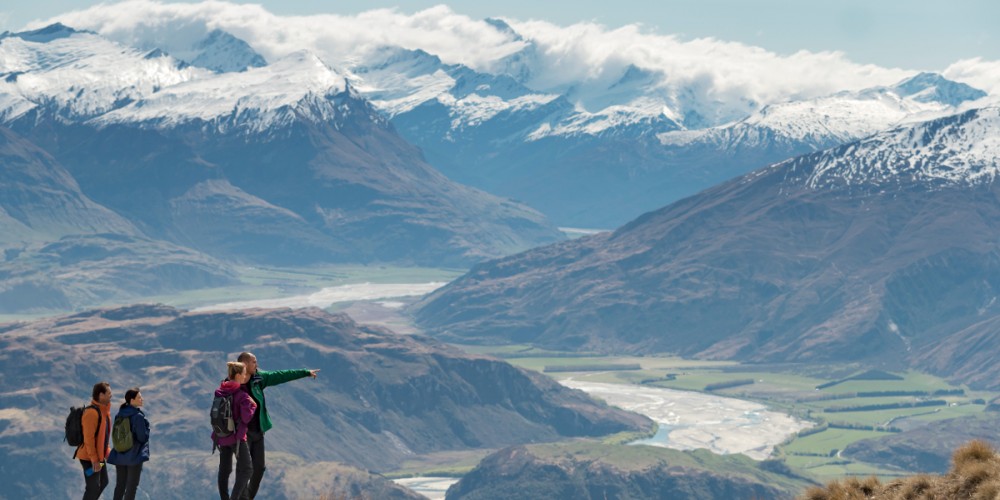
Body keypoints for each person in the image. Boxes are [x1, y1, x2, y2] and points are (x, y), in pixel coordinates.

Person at [237, 351, 319, 499]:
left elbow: (281, 375)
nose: (257, 364)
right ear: (244, 364)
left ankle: (247, 498)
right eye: (254, 362)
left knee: (259, 468)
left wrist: (305, 372)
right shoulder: (233, 383)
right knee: (244, 469)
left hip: (258, 432)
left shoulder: (259, 379)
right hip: (242, 434)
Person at [215, 361, 257, 500]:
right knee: (247, 469)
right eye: (244, 374)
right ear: (238, 375)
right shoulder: (242, 395)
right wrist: (253, 405)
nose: (245, 376)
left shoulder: (220, 391)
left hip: (221, 436)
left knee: (224, 471)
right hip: (237, 438)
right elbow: (246, 418)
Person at [107, 388, 150, 500]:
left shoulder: (119, 414)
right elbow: (142, 437)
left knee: (120, 485)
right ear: (132, 400)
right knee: (131, 487)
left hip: (119, 455)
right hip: (134, 456)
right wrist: (147, 427)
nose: (142, 399)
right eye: (139, 397)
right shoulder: (138, 416)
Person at [78, 381, 112, 500]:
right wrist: (94, 460)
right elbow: (89, 438)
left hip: (99, 457)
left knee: (103, 482)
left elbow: (104, 437)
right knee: (93, 487)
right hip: (89, 458)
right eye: (109, 393)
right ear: (101, 395)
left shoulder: (105, 413)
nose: (111, 395)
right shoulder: (91, 413)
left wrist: (107, 452)